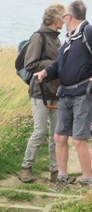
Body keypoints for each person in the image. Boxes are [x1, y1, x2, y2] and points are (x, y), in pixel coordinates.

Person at [35, 0, 92, 188]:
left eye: (65, 15)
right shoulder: (69, 37)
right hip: (65, 93)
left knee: (78, 139)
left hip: (83, 94)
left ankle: (87, 180)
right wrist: (46, 72)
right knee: (59, 137)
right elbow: (59, 64)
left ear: (69, 17)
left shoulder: (87, 32)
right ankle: (62, 178)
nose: (63, 18)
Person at [19, 3, 66, 184]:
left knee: (57, 134)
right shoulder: (39, 37)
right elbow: (30, 65)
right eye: (63, 17)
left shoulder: (55, 38)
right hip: (40, 93)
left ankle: (56, 172)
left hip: (56, 91)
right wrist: (54, 65)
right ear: (55, 19)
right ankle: (26, 168)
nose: (65, 20)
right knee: (39, 132)